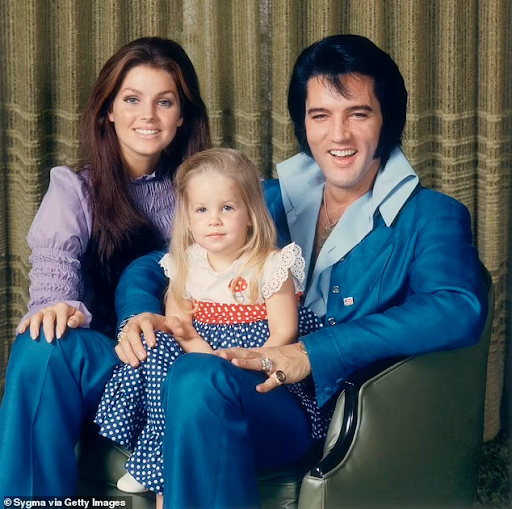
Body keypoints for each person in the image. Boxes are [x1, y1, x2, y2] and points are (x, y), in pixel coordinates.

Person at [112, 34, 488, 509]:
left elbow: (457, 307)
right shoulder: (265, 198)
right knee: (189, 373)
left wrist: (312, 351)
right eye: (320, 116)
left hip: (329, 410)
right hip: (233, 380)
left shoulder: (432, 214)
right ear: (303, 125)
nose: (339, 135)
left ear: (386, 119)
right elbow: (155, 263)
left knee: (195, 378)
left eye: (358, 113)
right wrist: (141, 315)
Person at [0, 36, 211, 497]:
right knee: (42, 343)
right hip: (112, 361)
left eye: (165, 102)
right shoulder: (74, 190)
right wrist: (58, 307)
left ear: (183, 115)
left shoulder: (209, 193)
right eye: (132, 99)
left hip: (183, 362)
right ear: (109, 110)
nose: (148, 116)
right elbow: (53, 278)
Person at [95, 148, 325, 503]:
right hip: (198, 353)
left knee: (202, 378)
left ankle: (166, 464)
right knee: (158, 349)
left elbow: (284, 333)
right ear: (187, 218)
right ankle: (158, 457)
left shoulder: (271, 264)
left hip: (254, 366)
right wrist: (199, 348)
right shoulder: (185, 264)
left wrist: (239, 360)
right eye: (201, 210)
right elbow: (180, 324)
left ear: (250, 214)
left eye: (227, 208)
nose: (213, 220)